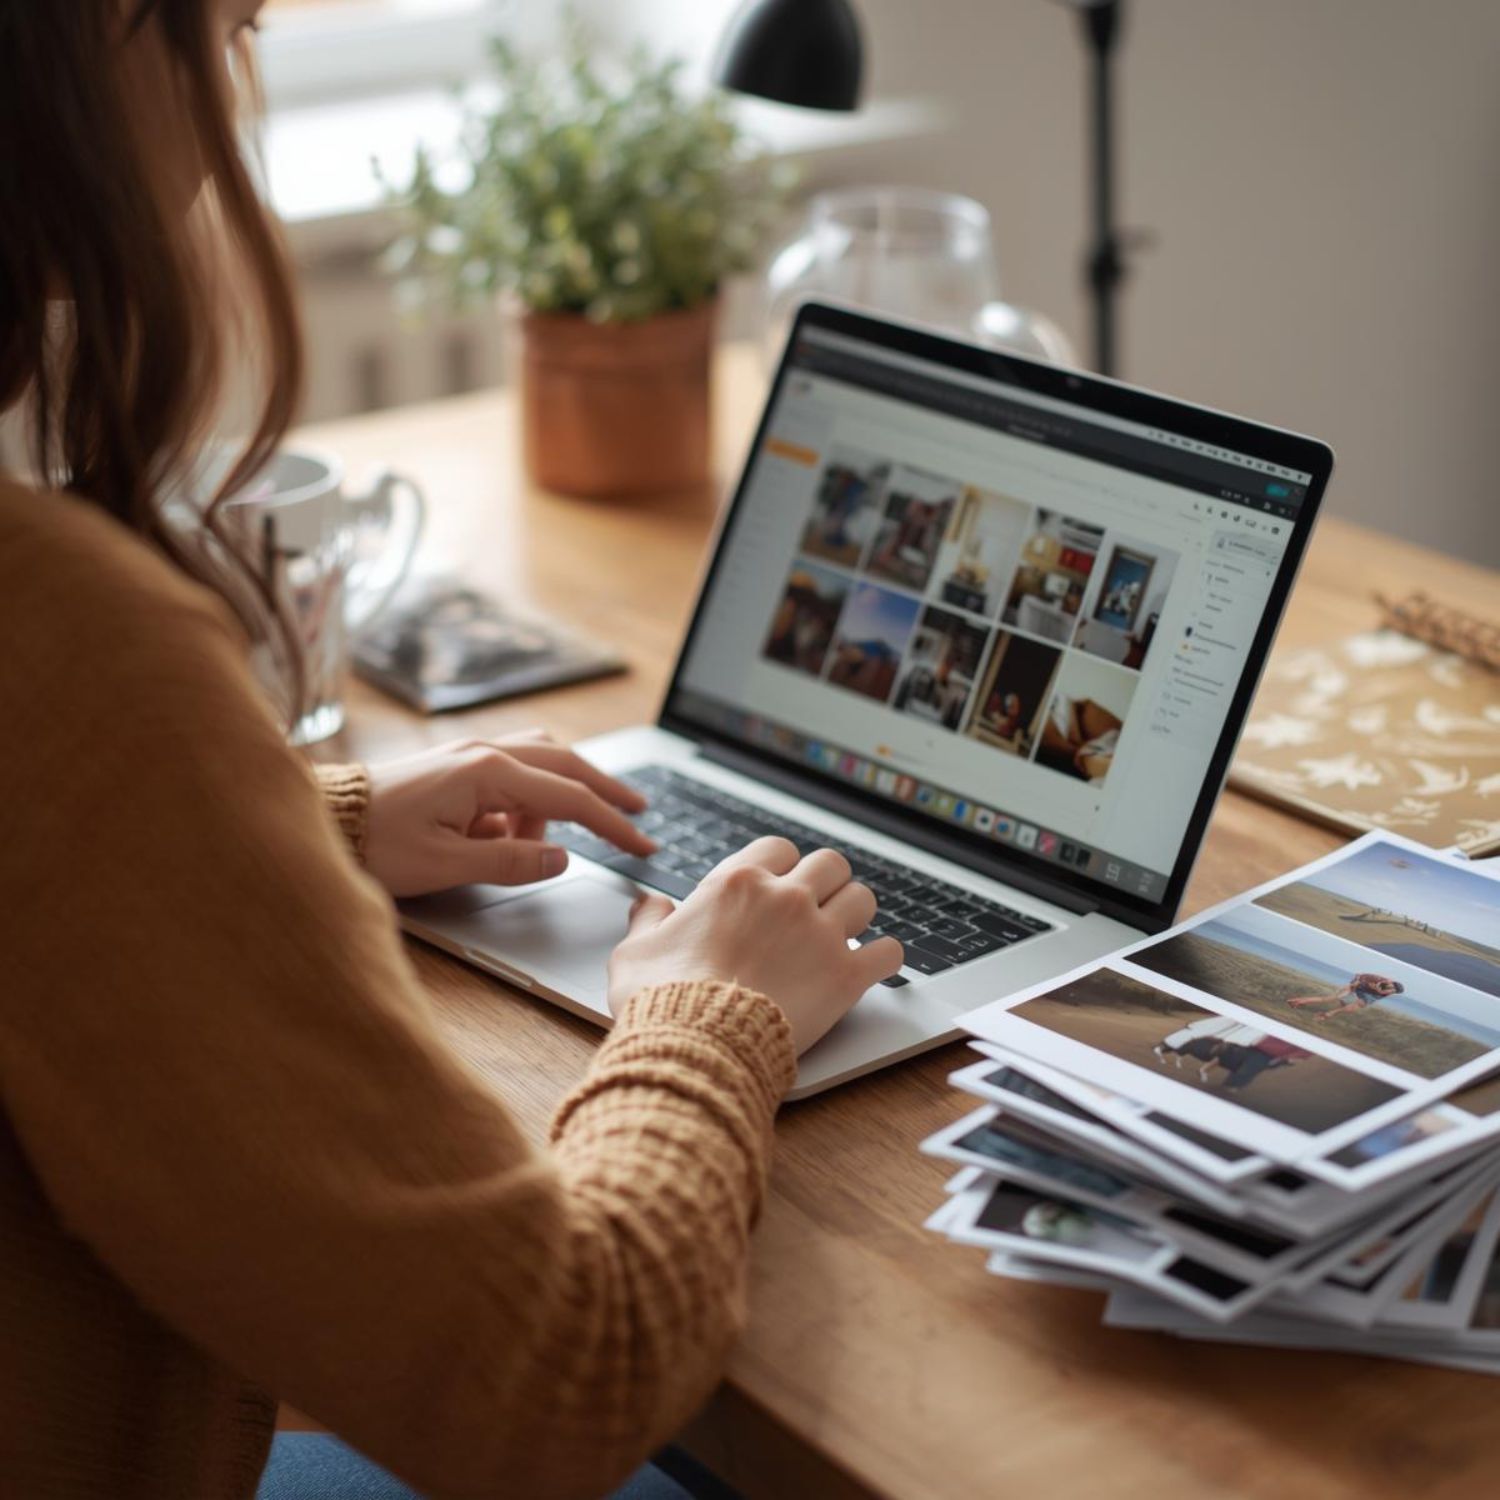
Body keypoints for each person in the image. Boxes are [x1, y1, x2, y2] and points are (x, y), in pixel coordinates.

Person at [0, 5, 906, 1498]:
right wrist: (711, 1018)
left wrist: (295, 819)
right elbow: (557, 1379)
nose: (236, 83)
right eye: (232, 23)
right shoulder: (69, 639)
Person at [1286, 972, 1404, 1020]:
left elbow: (1376, 994)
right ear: (1390, 982)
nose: (1390, 989)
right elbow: (1360, 975)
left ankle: (1329, 1014)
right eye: (1392, 986)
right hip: (1357, 986)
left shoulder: (1387, 992)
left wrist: (1376, 989)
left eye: (1393, 991)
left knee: (1354, 1006)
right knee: (1328, 999)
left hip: (1367, 995)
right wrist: (1355, 984)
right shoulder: (1378, 979)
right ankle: (1298, 1001)